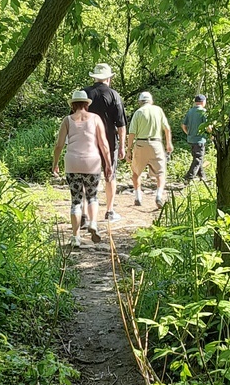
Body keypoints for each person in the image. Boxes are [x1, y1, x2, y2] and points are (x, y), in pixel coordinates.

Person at [52, 89, 112, 247]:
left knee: (76, 200)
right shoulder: (95, 118)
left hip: (72, 163)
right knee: (92, 196)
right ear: (87, 104)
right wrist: (109, 164)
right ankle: (93, 223)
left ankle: (76, 237)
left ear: (73, 105)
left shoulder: (67, 120)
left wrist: (55, 164)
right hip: (92, 162)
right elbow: (104, 144)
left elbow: (59, 145)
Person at [83, 62, 126, 224]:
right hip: (109, 142)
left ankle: (86, 214)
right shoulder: (114, 95)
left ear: (94, 77)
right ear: (108, 78)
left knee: (86, 177)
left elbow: (73, 118)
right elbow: (121, 125)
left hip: (87, 141)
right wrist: (122, 146)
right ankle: (109, 211)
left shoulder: (84, 94)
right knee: (110, 175)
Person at [126, 91, 173, 209]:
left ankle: (138, 197)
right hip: (156, 144)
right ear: (151, 101)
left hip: (141, 144)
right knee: (161, 173)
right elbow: (167, 128)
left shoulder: (138, 113)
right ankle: (158, 195)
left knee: (136, 173)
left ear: (140, 102)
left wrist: (128, 150)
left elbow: (131, 133)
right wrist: (168, 143)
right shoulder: (158, 110)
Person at [181, 93, 209, 183]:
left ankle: (202, 177)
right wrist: (212, 135)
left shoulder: (190, 111)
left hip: (191, 139)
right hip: (199, 139)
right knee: (198, 159)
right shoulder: (203, 112)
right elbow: (208, 127)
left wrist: (188, 133)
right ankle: (188, 177)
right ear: (203, 102)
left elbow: (183, 125)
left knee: (197, 158)